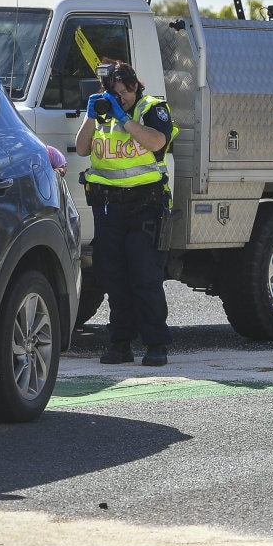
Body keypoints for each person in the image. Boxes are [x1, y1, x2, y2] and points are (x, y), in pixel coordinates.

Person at [75, 60, 178, 367]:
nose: (121, 96)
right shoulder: (102, 112)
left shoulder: (151, 109)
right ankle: (120, 344)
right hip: (109, 207)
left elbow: (157, 141)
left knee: (145, 277)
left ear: (136, 86)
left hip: (145, 206)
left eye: (126, 90)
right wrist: (91, 116)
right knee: (114, 278)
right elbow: (82, 148)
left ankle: (156, 344)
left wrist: (123, 119)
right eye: (114, 91)